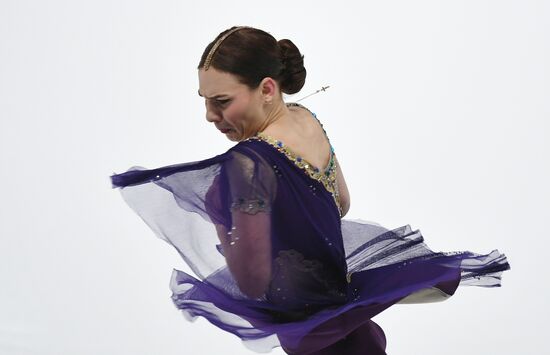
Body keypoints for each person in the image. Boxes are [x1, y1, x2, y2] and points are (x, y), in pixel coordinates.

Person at [110, 25, 511, 354]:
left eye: (222, 101)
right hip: (345, 321)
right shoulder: (304, 118)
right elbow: (342, 202)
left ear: (267, 89)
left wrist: (224, 219)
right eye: (204, 101)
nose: (210, 116)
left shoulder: (248, 165)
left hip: (319, 339)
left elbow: (251, 282)